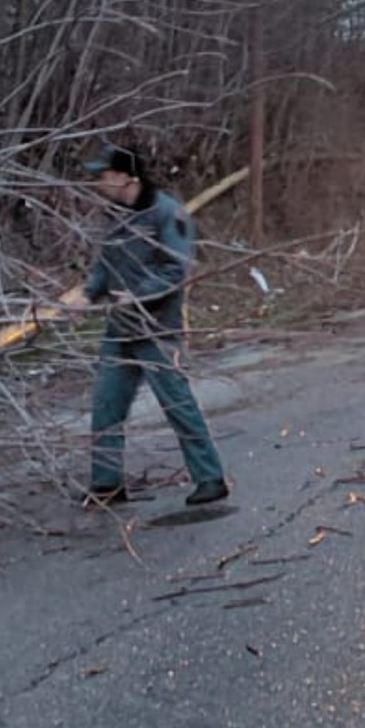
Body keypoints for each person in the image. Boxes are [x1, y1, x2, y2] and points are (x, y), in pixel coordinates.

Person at [63, 142, 230, 508]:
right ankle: (107, 485)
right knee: (106, 406)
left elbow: (176, 268)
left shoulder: (168, 214)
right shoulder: (117, 215)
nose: (99, 183)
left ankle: (210, 478)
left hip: (158, 330)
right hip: (120, 329)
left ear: (126, 177)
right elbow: (107, 264)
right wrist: (88, 296)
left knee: (177, 404)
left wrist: (138, 294)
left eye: (105, 175)